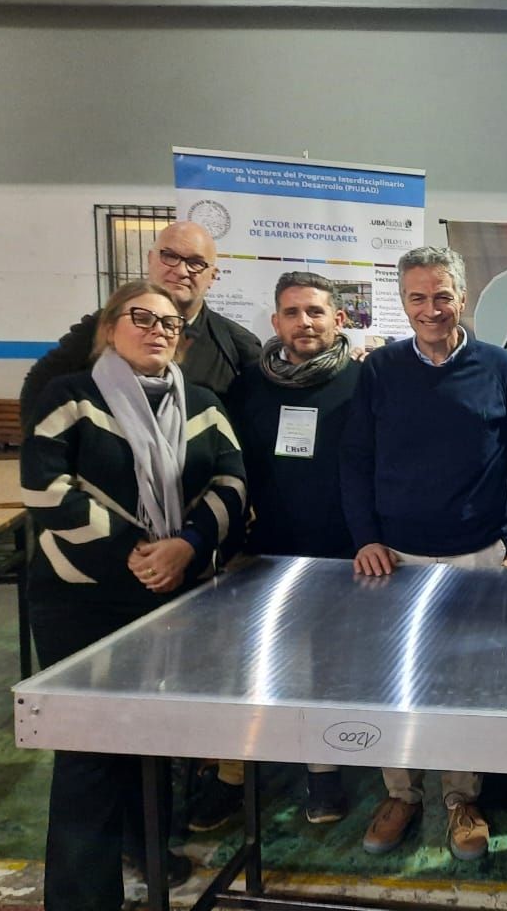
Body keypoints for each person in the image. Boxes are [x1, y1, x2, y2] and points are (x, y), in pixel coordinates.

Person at [20, 280, 246, 911]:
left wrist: (188, 546)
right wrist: (135, 553)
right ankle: (82, 895)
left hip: (172, 592)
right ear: (110, 326)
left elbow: (231, 480)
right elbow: (45, 489)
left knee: (152, 737)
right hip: (82, 600)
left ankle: (150, 852)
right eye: (141, 318)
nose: (157, 331)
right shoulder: (70, 397)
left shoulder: (201, 403)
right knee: (89, 750)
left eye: (170, 325)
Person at [340, 245, 507, 863]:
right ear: (403, 303)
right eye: (418, 297)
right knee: (394, 685)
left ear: (462, 298)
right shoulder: (379, 371)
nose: (431, 308)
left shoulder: (500, 369)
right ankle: (401, 793)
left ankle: (461, 798)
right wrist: (366, 537)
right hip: (394, 559)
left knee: (467, 684)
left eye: (442, 295)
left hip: (478, 557)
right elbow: (355, 461)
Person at [195, 271, 361, 829]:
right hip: (261, 551)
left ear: (339, 320)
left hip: (339, 553)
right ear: (275, 322)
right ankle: (233, 776)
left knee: (329, 669)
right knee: (249, 668)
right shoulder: (248, 386)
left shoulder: (363, 383)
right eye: (291, 312)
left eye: (315, 311)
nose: (304, 322)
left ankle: (324, 774)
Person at [20, 221, 261, 425]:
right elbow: (40, 384)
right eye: (170, 256)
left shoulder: (237, 344)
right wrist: (45, 453)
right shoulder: (104, 325)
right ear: (150, 259)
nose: (181, 270)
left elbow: (255, 416)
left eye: (196, 263)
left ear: (213, 276)